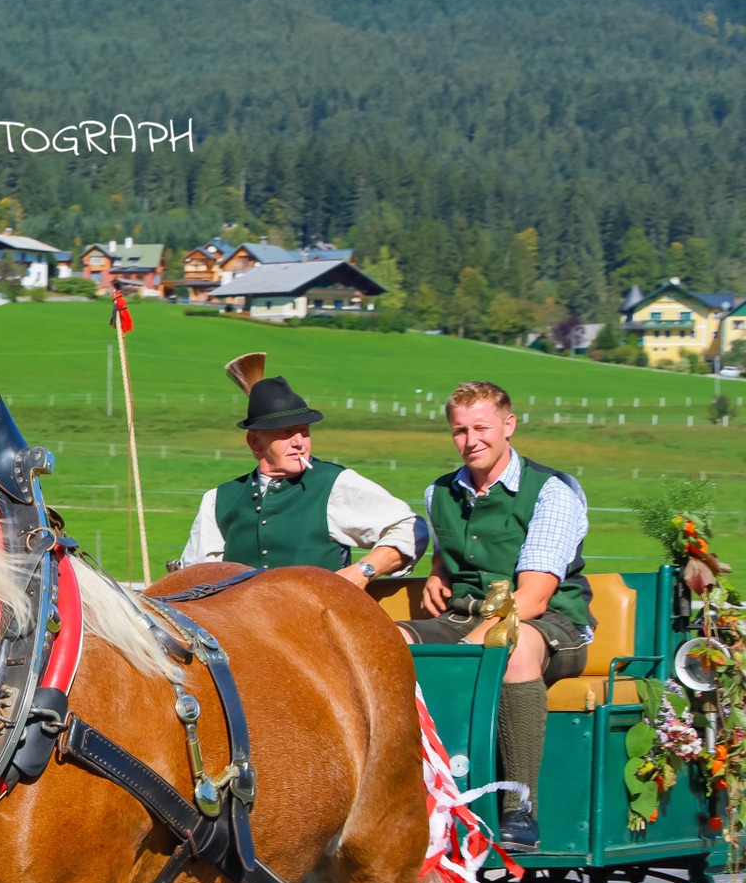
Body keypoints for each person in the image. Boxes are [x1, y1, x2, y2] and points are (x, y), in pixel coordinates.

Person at [401, 380, 594, 849]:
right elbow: (451, 548)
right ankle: (403, 794)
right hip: (465, 615)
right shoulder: (440, 492)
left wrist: (473, 645)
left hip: (551, 624)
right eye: (460, 431)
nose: (471, 441)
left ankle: (520, 807)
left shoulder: (552, 492)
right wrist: (437, 571)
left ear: (508, 426)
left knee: (512, 647)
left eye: (482, 428)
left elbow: (535, 596)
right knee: (385, 643)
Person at [180, 353, 424, 587]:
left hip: (319, 623)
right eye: (285, 433)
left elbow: (410, 529)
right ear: (255, 443)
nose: (299, 442)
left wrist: (363, 571)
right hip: (239, 626)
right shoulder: (218, 499)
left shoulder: (333, 484)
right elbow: (194, 574)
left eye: (304, 431)